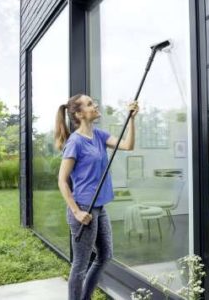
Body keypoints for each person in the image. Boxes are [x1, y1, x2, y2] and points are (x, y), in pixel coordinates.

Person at [55, 94, 139, 300]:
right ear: (79, 114)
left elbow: (127, 146)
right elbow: (62, 180)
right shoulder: (75, 142)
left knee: (105, 255)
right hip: (83, 208)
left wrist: (132, 119)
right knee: (80, 264)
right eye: (90, 104)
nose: (96, 105)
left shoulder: (99, 135)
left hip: (99, 208)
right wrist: (76, 211)